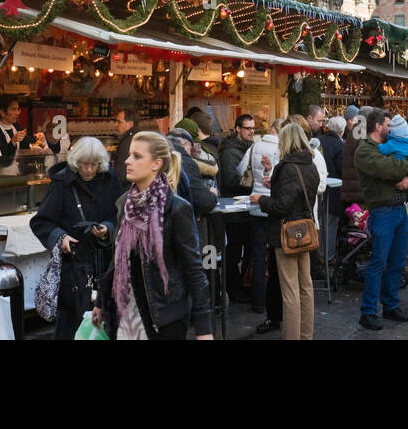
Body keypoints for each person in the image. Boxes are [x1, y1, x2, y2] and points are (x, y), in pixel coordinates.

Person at [93, 131, 213, 340]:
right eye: (129, 154)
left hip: (165, 316)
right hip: (126, 312)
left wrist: (204, 328)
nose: (127, 161)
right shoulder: (124, 204)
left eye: (137, 156)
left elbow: (194, 269)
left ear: (156, 164)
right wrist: (101, 302)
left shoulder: (176, 208)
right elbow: (118, 259)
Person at [29, 137, 121, 340]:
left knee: (105, 326)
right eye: (83, 165)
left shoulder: (110, 179)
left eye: (93, 165)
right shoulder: (62, 183)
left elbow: (119, 215)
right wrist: (60, 238)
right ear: (75, 162)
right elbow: (41, 222)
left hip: (104, 264)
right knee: (70, 326)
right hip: (74, 267)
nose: (88, 170)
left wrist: (108, 228)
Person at [254, 121, 321, 340]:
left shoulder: (287, 167)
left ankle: (292, 336)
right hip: (305, 230)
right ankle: (306, 335)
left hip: (286, 234)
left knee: (290, 291)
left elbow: (281, 205)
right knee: (305, 286)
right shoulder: (309, 164)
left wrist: (262, 200)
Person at [354, 108, 408, 330]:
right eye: (388, 125)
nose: (391, 129)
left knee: (398, 261)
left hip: (399, 210)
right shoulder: (365, 150)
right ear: (378, 126)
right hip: (382, 212)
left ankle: (390, 305)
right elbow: (386, 168)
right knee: (378, 262)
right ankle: (369, 311)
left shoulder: (391, 144)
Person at [237, 118, 283, 314]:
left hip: (255, 205)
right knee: (274, 256)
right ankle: (273, 300)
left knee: (257, 255)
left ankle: (257, 302)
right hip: (273, 207)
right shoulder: (281, 149)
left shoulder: (254, 147)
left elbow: (240, 170)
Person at [217, 113, 256, 305]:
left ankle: (242, 286)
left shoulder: (247, 147)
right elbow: (231, 181)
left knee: (245, 251)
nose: (251, 131)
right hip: (233, 211)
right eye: (248, 128)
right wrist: (252, 183)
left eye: (253, 128)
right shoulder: (231, 151)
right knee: (233, 253)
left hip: (244, 210)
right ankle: (234, 289)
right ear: (238, 129)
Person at [319, 116, 346, 267]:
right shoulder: (339, 145)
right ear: (342, 131)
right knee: (331, 224)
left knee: (321, 223)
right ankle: (328, 256)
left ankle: (319, 254)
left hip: (319, 190)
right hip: (334, 191)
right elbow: (342, 169)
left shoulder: (319, 140)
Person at [0, 95, 28, 176]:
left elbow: (26, 146)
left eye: (18, 109)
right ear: (2, 112)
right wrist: (13, 141)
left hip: (16, 174)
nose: (17, 113)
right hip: (1, 177)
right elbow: (1, 161)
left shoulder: (16, 126)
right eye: (13, 109)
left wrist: (36, 140)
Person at [112, 108, 146, 184]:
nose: (116, 125)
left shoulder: (129, 141)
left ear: (130, 124)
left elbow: (122, 173)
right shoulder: (140, 137)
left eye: (119, 122)